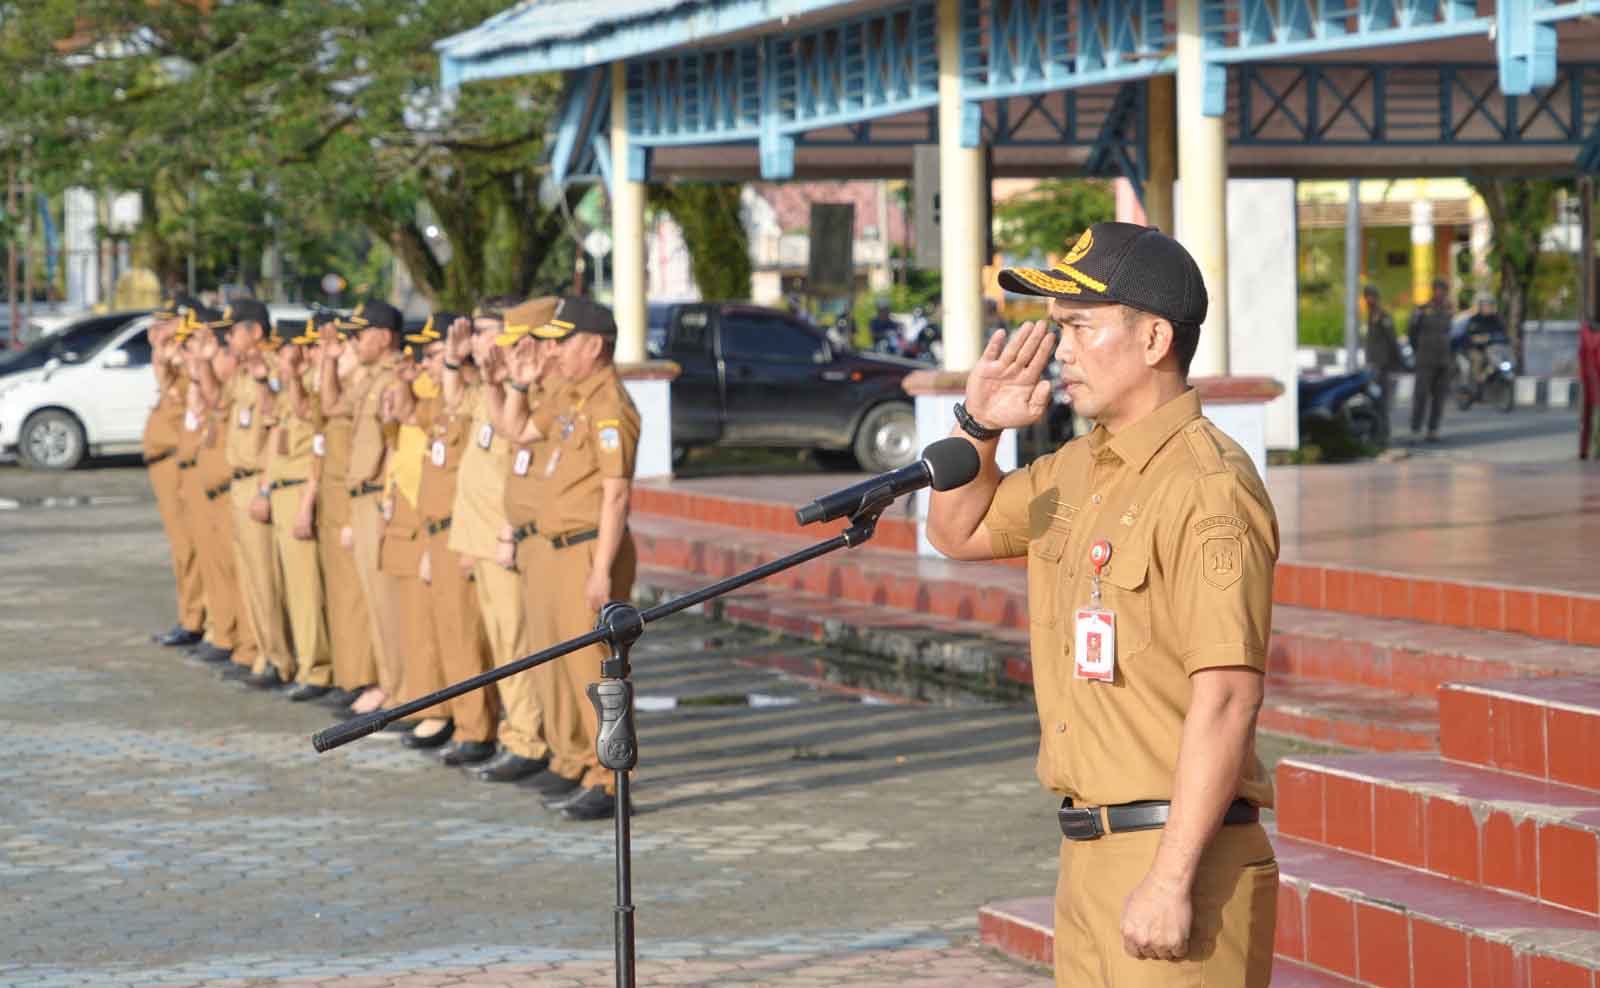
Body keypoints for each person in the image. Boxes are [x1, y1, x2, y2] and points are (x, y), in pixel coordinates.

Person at [926, 222, 1278, 987]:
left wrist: (1169, 880)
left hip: (1177, 856)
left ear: (1154, 338)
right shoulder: (1079, 468)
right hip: (1087, 853)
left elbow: (1226, 696)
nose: (1061, 351)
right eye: (1058, 329)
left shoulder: (1208, 486)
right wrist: (979, 426)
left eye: (1081, 327)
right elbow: (960, 530)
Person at [512, 296, 640, 822]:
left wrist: (602, 571)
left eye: (564, 342)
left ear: (594, 345)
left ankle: (610, 779)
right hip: (554, 546)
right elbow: (520, 431)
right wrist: (520, 380)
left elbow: (617, 494)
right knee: (557, 662)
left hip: (590, 547)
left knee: (596, 673)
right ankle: (572, 758)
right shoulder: (570, 395)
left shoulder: (611, 405)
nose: (556, 351)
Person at [442, 298, 554, 783]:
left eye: (490, 332)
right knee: (500, 639)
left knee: (515, 640)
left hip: (504, 533)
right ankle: (516, 730)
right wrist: (455, 360)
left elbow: (520, 466)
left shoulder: (527, 392)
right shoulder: (496, 387)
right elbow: (454, 403)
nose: (482, 342)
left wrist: (509, 529)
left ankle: (528, 739)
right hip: (481, 532)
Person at [407, 313, 500, 765]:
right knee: (452, 637)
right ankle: (468, 725)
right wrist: (451, 361)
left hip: (471, 533)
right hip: (446, 530)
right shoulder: (462, 398)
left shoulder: (489, 396)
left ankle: (478, 729)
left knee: (468, 639)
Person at [335, 300, 409, 712]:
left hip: (381, 498)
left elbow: (395, 445)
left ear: (383, 337)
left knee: (387, 602)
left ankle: (401, 689)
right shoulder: (369, 378)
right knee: (374, 603)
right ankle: (388, 682)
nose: (354, 342)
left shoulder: (397, 377)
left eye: (360, 334)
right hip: (361, 497)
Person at [261, 316, 336, 701]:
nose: (300, 354)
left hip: (301, 490)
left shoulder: (314, 387)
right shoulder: (296, 384)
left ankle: (316, 668)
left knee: (307, 592)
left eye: (307, 346)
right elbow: (274, 431)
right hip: (281, 488)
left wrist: (292, 377)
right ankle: (302, 663)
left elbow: (312, 426)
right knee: (293, 589)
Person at [144, 294, 206, 649]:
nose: (158, 329)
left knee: (188, 547)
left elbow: (184, 404)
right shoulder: (172, 359)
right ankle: (190, 615)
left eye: (165, 322)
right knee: (181, 548)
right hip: (164, 462)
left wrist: (171, 353)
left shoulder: (189, 361)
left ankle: (195, 619)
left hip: (177, 460)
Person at [1407, 277, 1454, 442]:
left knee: (1439, 397)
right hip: (1425, 360)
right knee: (1421, 395)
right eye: (1439, 290)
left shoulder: (1448, 311)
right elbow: (1412, 334)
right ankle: (1415, 429)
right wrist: (1419, 350)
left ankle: (1433, 430)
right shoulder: (1422, 310)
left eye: (1444, 290)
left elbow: (1450, 334)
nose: (1441, 294)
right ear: (1433, 291)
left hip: (1443, 360)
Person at [1361, 285, 1402, 444]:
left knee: (1381, 401)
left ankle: (1383, 434)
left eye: (1371, 296)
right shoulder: (1371, 315)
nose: (1368, 299)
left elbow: (1392, 339)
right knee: (1374, 400)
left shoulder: (1383, 315)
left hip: (1382, 365)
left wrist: (1398, 361)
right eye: (1367, 296)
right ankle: (1378, 433)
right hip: (1373, 365)